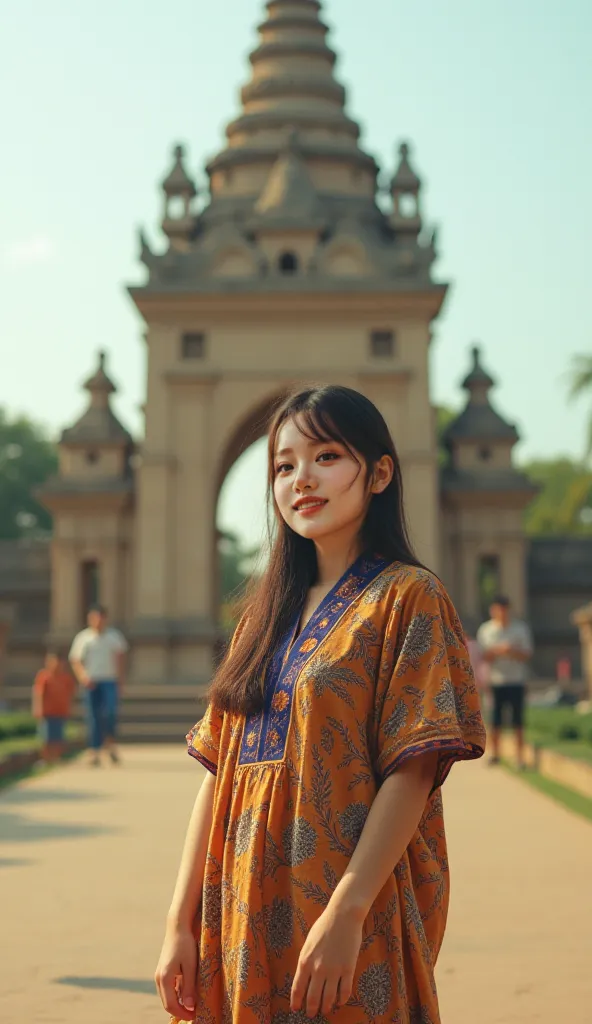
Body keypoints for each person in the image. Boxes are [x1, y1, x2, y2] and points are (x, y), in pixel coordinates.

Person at [155, 385, 486, 1024]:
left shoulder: (407, 598)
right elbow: (218, 774)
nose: (301, 479)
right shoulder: (261, 616)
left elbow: (412, 769)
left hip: (342, 907)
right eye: (284, 466)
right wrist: (180, 922)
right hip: (240, 908)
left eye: (327, 456)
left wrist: (349, 911)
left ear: (380, 472)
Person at [477, 595, 533, 768]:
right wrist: (499, 651)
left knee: (518, 721)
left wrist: (512, 651)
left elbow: (527, 654)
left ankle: (519, 757)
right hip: (496, 681)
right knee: (495, 720)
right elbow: (483, 656)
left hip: (516, 680)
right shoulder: (486, 630)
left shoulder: (520, 629)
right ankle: (495, 754)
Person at [69, 604, 128, 767]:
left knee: (110, 713)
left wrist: (120, 680)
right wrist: (82, 676)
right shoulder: (83, 638)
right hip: (92, 682)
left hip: (109, 680)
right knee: (93, 716)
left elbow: (121, 659)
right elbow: (76, 660)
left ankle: (110, 744)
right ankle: (94, 750)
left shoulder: (114, 637)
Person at [32, 651, 75, 764]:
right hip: (47, 713)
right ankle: (45, 758)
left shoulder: (66, 678)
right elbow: (39, 693)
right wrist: (38, 709)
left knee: (58, 737)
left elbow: (70, 694)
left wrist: (68, 709)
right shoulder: (44, 676)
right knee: (45, 737)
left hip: (60, 712)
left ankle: (56, 758)